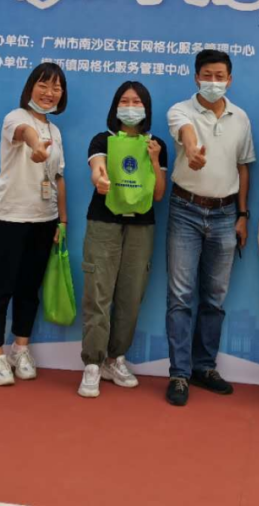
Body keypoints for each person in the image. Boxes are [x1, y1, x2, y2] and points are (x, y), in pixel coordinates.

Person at [164, 49, 256, 406]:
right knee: (180, 296)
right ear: (196, 77)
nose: (213, 82)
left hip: (225, 214)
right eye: (207, 75)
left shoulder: (241, 118)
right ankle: (179, 373)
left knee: (215, 298)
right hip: (185, 210)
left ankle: (204, 367)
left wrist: (242, 215)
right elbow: (185, 133)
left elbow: (244, 167)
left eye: (220, 76)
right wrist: (192, 151)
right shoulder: (181, 110)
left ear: (229, 80)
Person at [78, 81, 168, 398]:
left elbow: (159, 194)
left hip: (141, 225)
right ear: (116, 106)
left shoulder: (156, 144)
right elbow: (97, 168)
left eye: (137, 102)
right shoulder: (102, 139)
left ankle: (115, 359)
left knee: (131, 294)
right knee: (98, 291)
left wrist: (154, 160)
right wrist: (100, 180)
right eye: (125, 101)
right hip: (104, 222)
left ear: (147, 108)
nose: (131, 107)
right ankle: (92, 363)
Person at [0, 63, 68, 386]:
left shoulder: (55, 132)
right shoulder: (15, 117)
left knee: (29, 288)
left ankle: (20, 349)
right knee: (0, 286)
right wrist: (35, 145)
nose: (49, 93)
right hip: (9, 217)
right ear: (31, 87)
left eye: (56, 88)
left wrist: (63, 220)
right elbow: (25, 134)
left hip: (44, 220)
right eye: (43, 85)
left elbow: (58, 177)